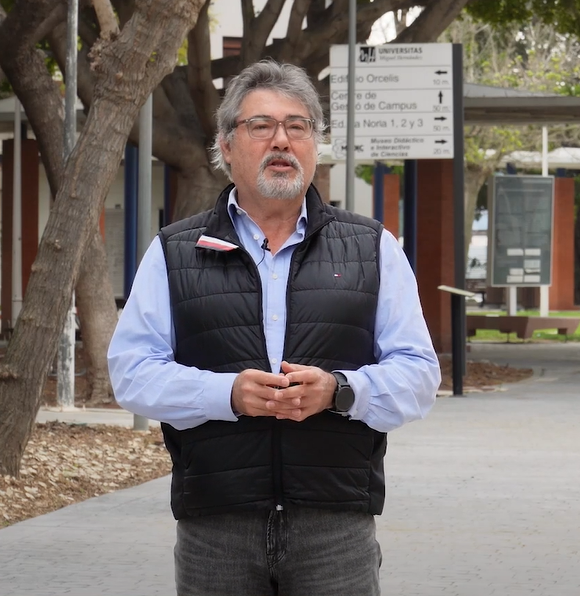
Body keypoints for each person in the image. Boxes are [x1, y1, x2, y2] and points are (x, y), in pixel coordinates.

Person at [107, 59, 441, 596]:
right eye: (261, 126)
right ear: (227, 146)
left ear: (314, 144)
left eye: (298, 126)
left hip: (335, 526)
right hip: (216, 526)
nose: (281, 140)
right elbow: (132, 374)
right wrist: (227, 394)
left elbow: (420, 375)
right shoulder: (174, 251)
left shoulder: (373, 247)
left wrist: (341, 391)